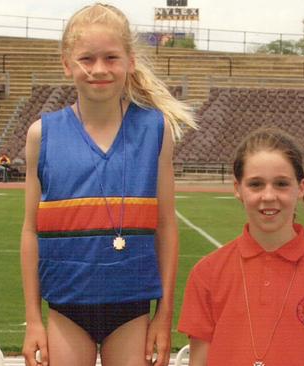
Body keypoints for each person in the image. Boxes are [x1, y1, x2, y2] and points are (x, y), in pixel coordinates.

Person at [20, 4, 195, 366]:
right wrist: (34, 320)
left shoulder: (155, 130)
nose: (99, 69)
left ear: (130, 61)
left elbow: (165, 226)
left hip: (132, 307)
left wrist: (164, 316)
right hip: (66, 306)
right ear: (67, 64)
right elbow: (29, 231)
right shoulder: (43, 134)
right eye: (87, 59)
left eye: (111, 58)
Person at [178, 127, 304, 366]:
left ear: (301, 188)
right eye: (256, 184)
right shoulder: (207, 273)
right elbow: (199, 361)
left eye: (281, 184)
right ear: (237, 189)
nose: (269, 196)